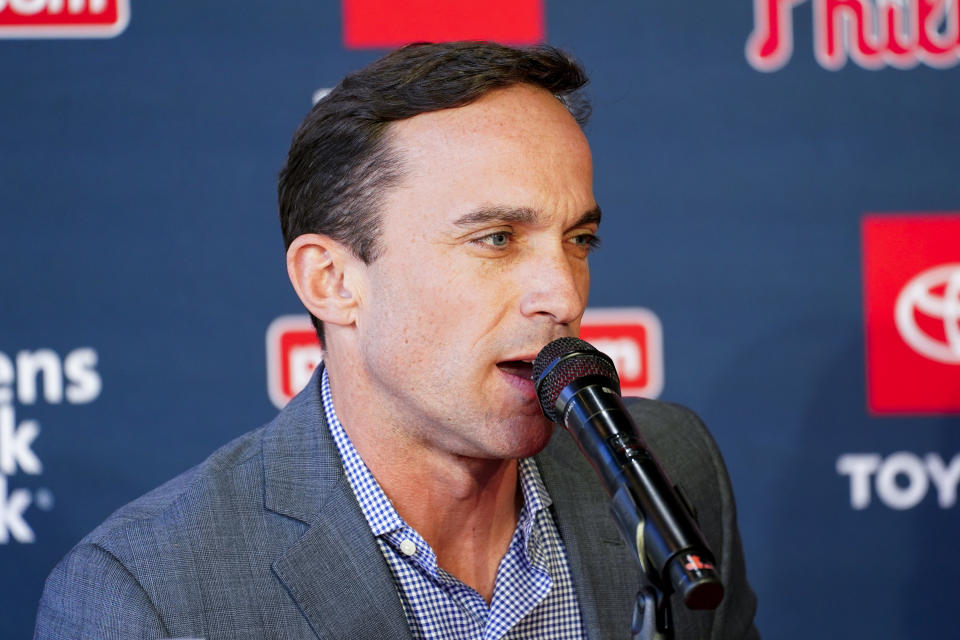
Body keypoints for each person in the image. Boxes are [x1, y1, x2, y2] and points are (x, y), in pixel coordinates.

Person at [35, 42, 759, 639]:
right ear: (332, 281)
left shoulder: (668, 467)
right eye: (497, 238)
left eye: (580, 239)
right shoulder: (145, 596)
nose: (563, 295)